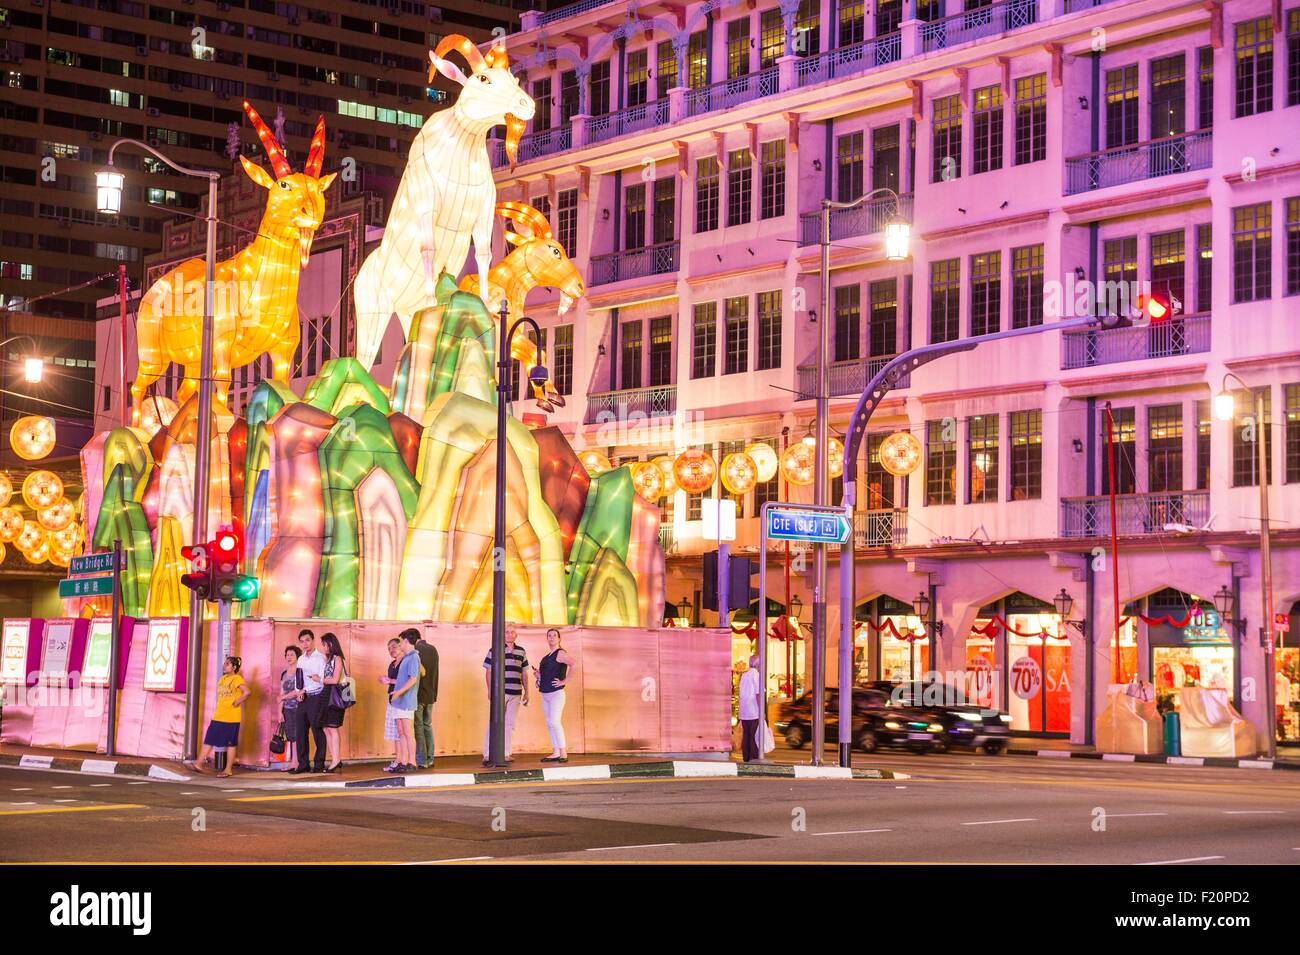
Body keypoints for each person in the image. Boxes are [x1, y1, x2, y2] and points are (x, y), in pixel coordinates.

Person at [482, 623, 529, 766]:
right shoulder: (495, 649)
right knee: (494, 723)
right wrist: (490, 690)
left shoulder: (521, 651)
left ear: (516, 635)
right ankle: (488, 754)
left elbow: (524, 673)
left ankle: (506, 753)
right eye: (507, 632)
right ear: (503, 634)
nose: (509, 634)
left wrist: (527, 691)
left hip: (516, 693)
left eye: (512, 632)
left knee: (510, 724)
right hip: (500, 693)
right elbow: (488, 671)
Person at [195, 656, 250, 777]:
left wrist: (238, 701)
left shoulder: (236, 678)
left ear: (234, 667)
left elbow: (247, 692)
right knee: (209, 739)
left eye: (228, 664)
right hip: (219, 715)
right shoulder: (222, 679)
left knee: (231, 744)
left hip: (231, 717)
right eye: (224, 663)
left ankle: (228, 769)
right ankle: (199, 763)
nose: (224, 666)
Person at [535, 628, 575, 763]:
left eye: (554, 635)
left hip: (556, 694)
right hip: (545, 693)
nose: (551, 638)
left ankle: (563, 752)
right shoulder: (546, 657)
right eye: (549, 636)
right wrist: (538, 676)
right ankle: (556, 751)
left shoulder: (560, 653)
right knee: (549, 723)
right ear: (547, 638)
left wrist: (564, 681)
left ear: (559, 639)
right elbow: (545, 675)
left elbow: (573, 664)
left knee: (554, 722)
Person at [291, 629, 327, 775]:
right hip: (303, 697)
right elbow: (298, 679)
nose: (304, 644)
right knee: (300, 731)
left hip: (316, 696)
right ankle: (303, 764)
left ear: (313, 640)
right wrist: (298, 691)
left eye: (307, 640)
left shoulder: (321, 658)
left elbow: (324, 680)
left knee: (317, 731)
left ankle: (319, 764)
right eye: (302, 641)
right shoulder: (300, 659)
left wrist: (315, 683)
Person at [387, 631, 422, 772]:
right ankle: (403, 761)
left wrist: (399, 692)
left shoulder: (414, 657)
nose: (400, 644)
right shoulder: (407, 658)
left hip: (406, 701)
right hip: (398, 701)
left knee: (408, 733)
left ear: (407, 641)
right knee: (401, 732)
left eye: (401, 641)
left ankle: (412, 762)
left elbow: (413, 679)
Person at [319, 632, 348, 773]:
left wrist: (319, 679)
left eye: (324, 644)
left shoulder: (337, 658)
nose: (323, 647)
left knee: (333, 727)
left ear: (331, 644)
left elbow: (335, 679)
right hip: (327, 694)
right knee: (326, 728)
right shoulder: (328, 659)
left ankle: (336, 760)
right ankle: (335, 758)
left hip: (335, 695)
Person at [412, 629, 440, 768]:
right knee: (427, 726)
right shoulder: (433, 649)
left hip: (418, 695)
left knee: (418, 727)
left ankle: (422, 760)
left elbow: (416, 675)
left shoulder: (415, 652)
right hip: (430, 694)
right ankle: (430, 758)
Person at [278, 645, 304, 769]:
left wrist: (284, 697)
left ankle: (296, 762)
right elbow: (281, 693)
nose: (289, 657)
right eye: (287, 655)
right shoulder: (284, 674)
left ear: (297, 657)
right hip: (287, 709)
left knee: (297, 735)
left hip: (299, 708)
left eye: (292, 655)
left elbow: (298, 690)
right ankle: (293, 761)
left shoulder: (300, 672)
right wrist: (280, 712)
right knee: (291, 736)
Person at [379, 638, 402, 771]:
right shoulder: (392, 664)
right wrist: (386, 680)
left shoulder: (405, 662)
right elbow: (392, 681)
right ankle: (398, 759)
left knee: (402, 732)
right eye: (388, 648)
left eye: (393, 647)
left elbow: (408, 680)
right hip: (392, 699)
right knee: (395, 733)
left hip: (401, 700)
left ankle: (403, 760)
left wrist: (390, 680)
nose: (391, 650)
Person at [738, 653, 762, 763]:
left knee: (746, 735)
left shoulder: (744, 675)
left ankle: (746, 757)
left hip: (744, 710)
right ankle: (754, 757)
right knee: (754, 735)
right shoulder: (756, 675)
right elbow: (758, 694)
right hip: (753, 710)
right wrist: (761, 710)